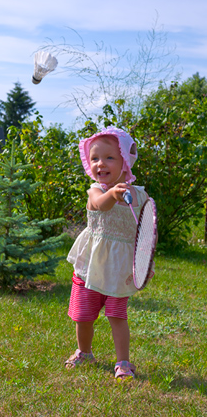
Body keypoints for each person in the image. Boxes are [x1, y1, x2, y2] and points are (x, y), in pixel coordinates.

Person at [65, 126, 154, 379]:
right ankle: (84, 352)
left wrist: (146, 262)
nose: (100, 164)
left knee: (117, 315)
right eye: (94, 159)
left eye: (109, 158)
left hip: (119, 267)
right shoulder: (96, 190)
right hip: (90, 264)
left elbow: (145, 232)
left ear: (126, 162)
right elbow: (99, 206)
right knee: (83, 315)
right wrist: (113, 194)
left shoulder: (140, 195)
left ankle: (123, 363)